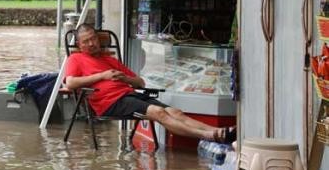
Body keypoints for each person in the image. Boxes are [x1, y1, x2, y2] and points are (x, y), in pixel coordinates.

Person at [64, 23, 236, 144]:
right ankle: (210, 136)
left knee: (174, 111)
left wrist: (125, 79)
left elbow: (140, 82)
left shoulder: (108, 59)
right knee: (158, 112)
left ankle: (217, 131)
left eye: (93, 38)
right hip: (110, 101)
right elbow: (70, 83)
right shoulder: (76, 58)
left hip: (129, 94)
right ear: (79, 44)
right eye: (86, 41)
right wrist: (102, 75)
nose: (91, 43)